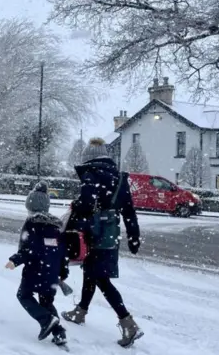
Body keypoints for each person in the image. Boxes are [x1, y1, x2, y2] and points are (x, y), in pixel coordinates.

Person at [60, 137, 144, 348]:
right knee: (92, 273)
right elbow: (130, 213)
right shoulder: (119, 178)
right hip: (110, 234)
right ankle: (80, 312)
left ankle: (128, 322)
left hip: (92, 234)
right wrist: (134, 238)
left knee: (101, 280)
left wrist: (76, 205)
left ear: (89, 158)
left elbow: (87, 203)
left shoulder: (91, 174)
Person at [5, 181, 70, 347]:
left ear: (30, 206)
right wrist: (63, 272)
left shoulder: (32, 224)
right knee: (46, 302)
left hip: (35, 270)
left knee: (24, 295)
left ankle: (47, 320)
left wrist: (15, 260)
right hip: (52, 272)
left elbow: (29, 249)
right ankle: (59, 332)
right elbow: (63, 252)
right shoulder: (56, 226)